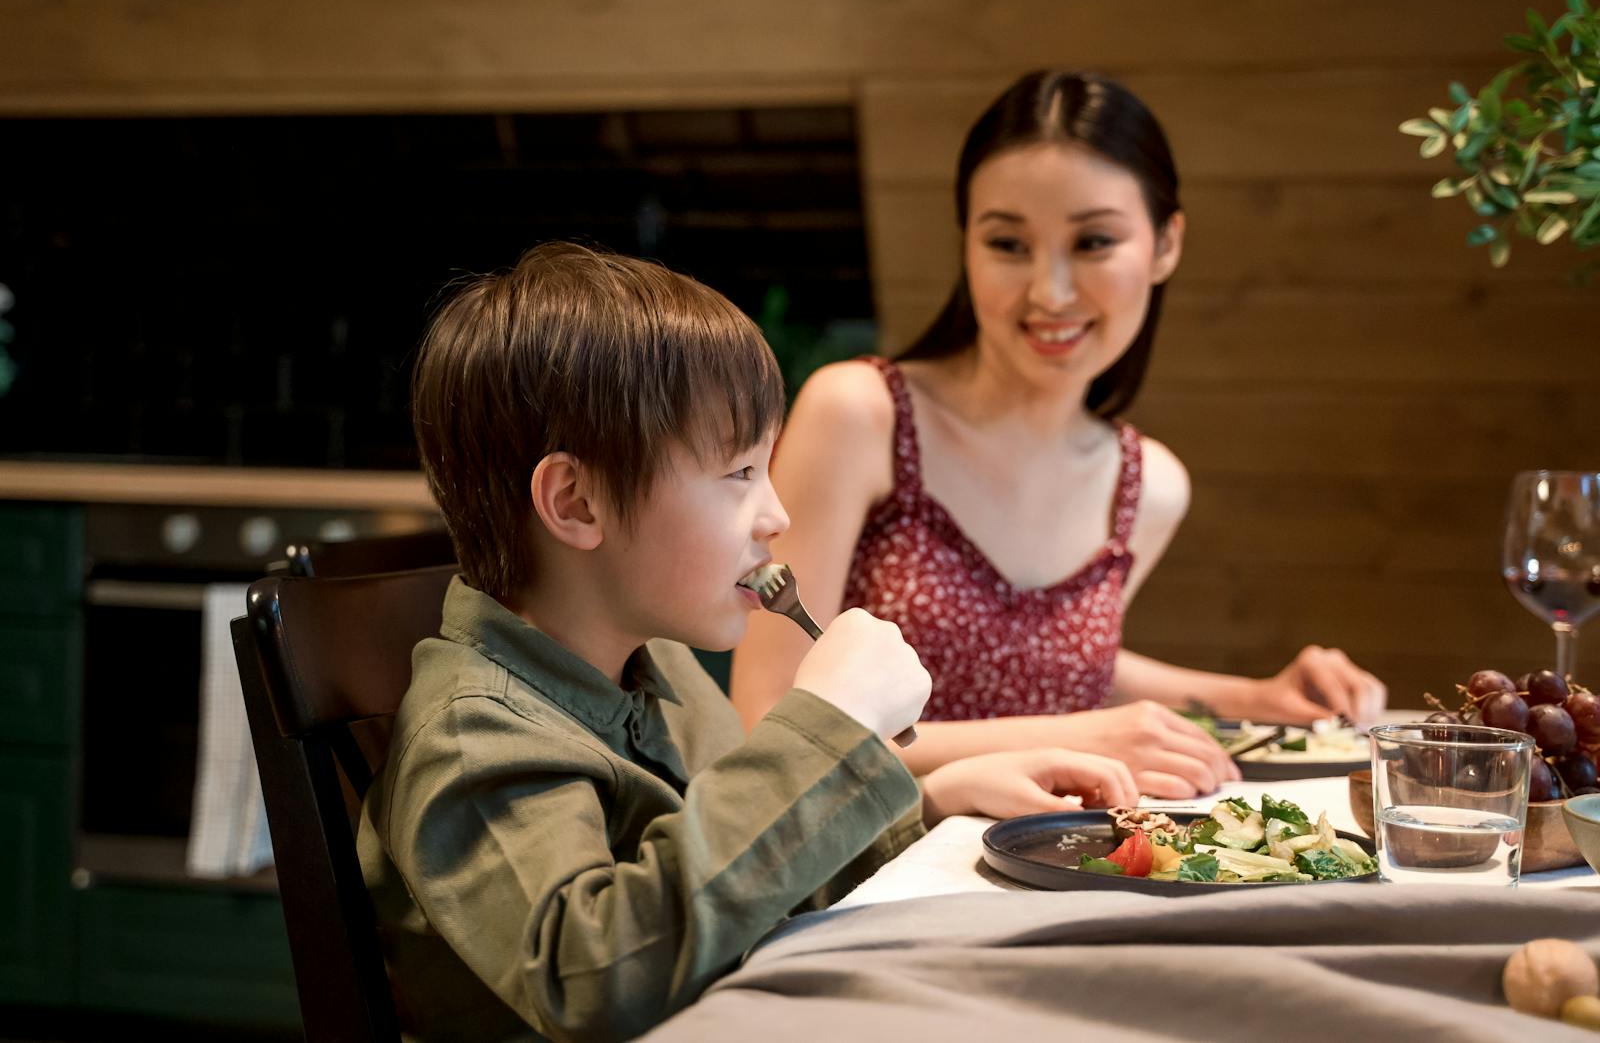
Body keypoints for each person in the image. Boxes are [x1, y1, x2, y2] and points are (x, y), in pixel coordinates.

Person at [355, 243, 1137, 1043]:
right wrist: (826, 725)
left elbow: (748, 871)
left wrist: (934, 799)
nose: (776, 514)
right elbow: (596, 977)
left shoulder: (656, 666)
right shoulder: (473, 734)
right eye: (737, 473)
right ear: (577, 500)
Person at [729, 71, 1387, 800]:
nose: (1051, 291)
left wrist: (1255, 696)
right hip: (865, 878)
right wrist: (1074, 733)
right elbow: (771, 723)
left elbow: (1042, 656)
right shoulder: (861, 414)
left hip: (1058, 863)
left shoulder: (1149, 484)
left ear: (1167, 243)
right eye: (1008, 243)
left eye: (1094, 240)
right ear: (966, 245)